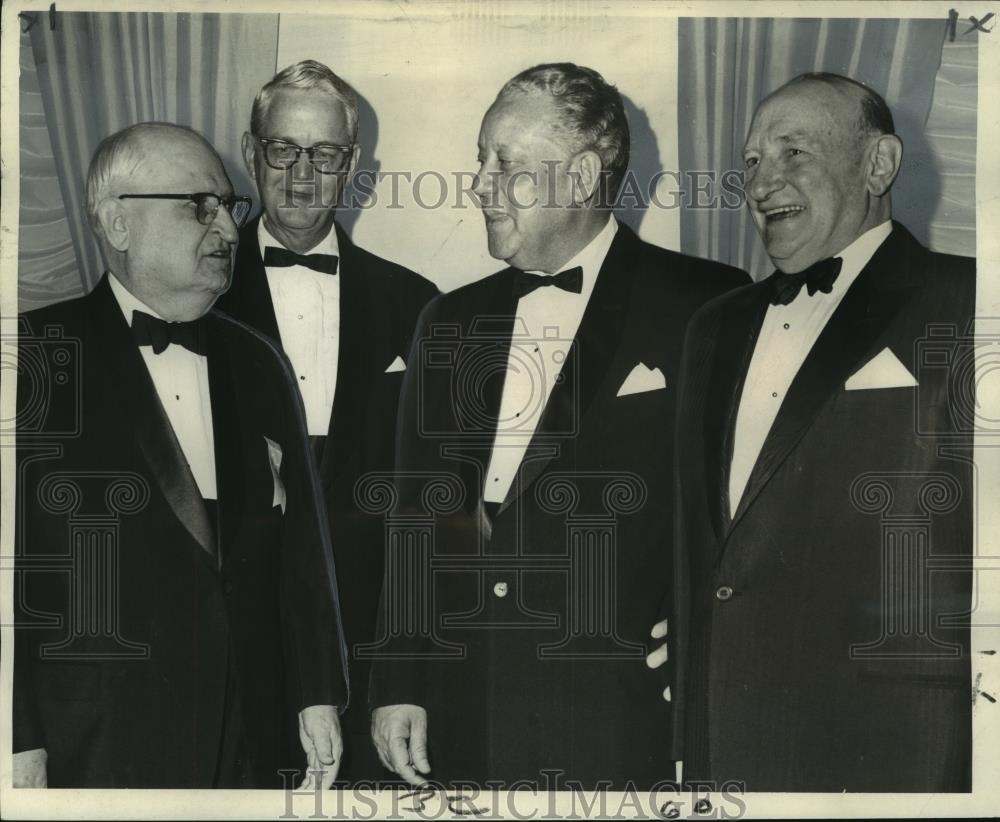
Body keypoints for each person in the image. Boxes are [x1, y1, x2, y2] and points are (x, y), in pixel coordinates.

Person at [369, 62, 749, 790]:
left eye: (503, 164)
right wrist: (398, 680)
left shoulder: (708, 305)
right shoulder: (447, 318)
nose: (477, 184)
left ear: (580, 178)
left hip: (620, 713)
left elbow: (745, 509)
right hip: (459, 711)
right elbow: (415, 517)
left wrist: (707, 638)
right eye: (479, 160)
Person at [648, 73, 975, 791]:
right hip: (721, 746)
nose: (764, 182)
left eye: (793, 152)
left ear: (879, 165)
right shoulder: (714, 326)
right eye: (753, 161)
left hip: (894, 749)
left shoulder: (971, 302)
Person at [13, 122, 348, 789]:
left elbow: (301, 552)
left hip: (251, 733)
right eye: (200, 204)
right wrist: (15, 736)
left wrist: (316, 694)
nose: (227, 226)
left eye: (230, 205)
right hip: (94, 745)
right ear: (117, 221)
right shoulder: (32, 356)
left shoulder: (258, 361)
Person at [214, 61, 438, 781]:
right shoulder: (194, 299)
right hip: (232, 654)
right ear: (251, 155)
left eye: (326, 154)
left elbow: (433, 505)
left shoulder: (416, 302)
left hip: (374, 657)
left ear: (353, 166)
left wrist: (404, 673)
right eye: (284, 149)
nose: (304, 172)